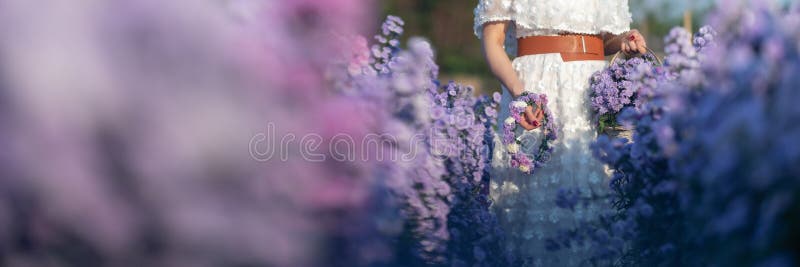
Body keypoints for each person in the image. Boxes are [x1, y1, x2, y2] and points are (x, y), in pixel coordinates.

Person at [474, 0, 647, 265]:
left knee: (598, 195)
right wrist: (522, 95)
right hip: (538, 91)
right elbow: (492, 42)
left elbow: (604, 39)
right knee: (539, 202)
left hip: (594, 96)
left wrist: (625, 40)